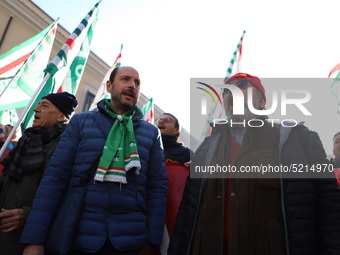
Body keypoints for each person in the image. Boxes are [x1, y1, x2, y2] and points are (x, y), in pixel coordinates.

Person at [168, 73, 340, 255]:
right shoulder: (205, 149)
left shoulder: (297, 139)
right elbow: (186, 217)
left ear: (261, 102)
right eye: (226, 90)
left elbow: (329, 207)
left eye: (242, 85)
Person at [21, 66, 168, 255]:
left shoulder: (151, 133)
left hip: (130, 241)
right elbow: (55, 178)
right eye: (125, 79)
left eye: (137, 82)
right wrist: (34, 240)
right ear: (109, 86)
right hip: (77, 236)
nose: (132, 85)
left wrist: (153, 241)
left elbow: (158, 187)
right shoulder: (81, 123)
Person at [0, 92, 78, 255]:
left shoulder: (65, 149)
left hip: (28, 241)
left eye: (44, 106)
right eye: (38, 105)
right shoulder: (26, 141)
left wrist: (27, 215)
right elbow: (9, 180)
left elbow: (65, 197)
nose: (36, 109)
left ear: (60, 116)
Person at [156, 113, 192, 253]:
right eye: (160, 120)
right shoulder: (147, 149)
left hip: (173, 218)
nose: (162, 121)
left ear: (177, 129)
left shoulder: (187, 153)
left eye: (168, 120)